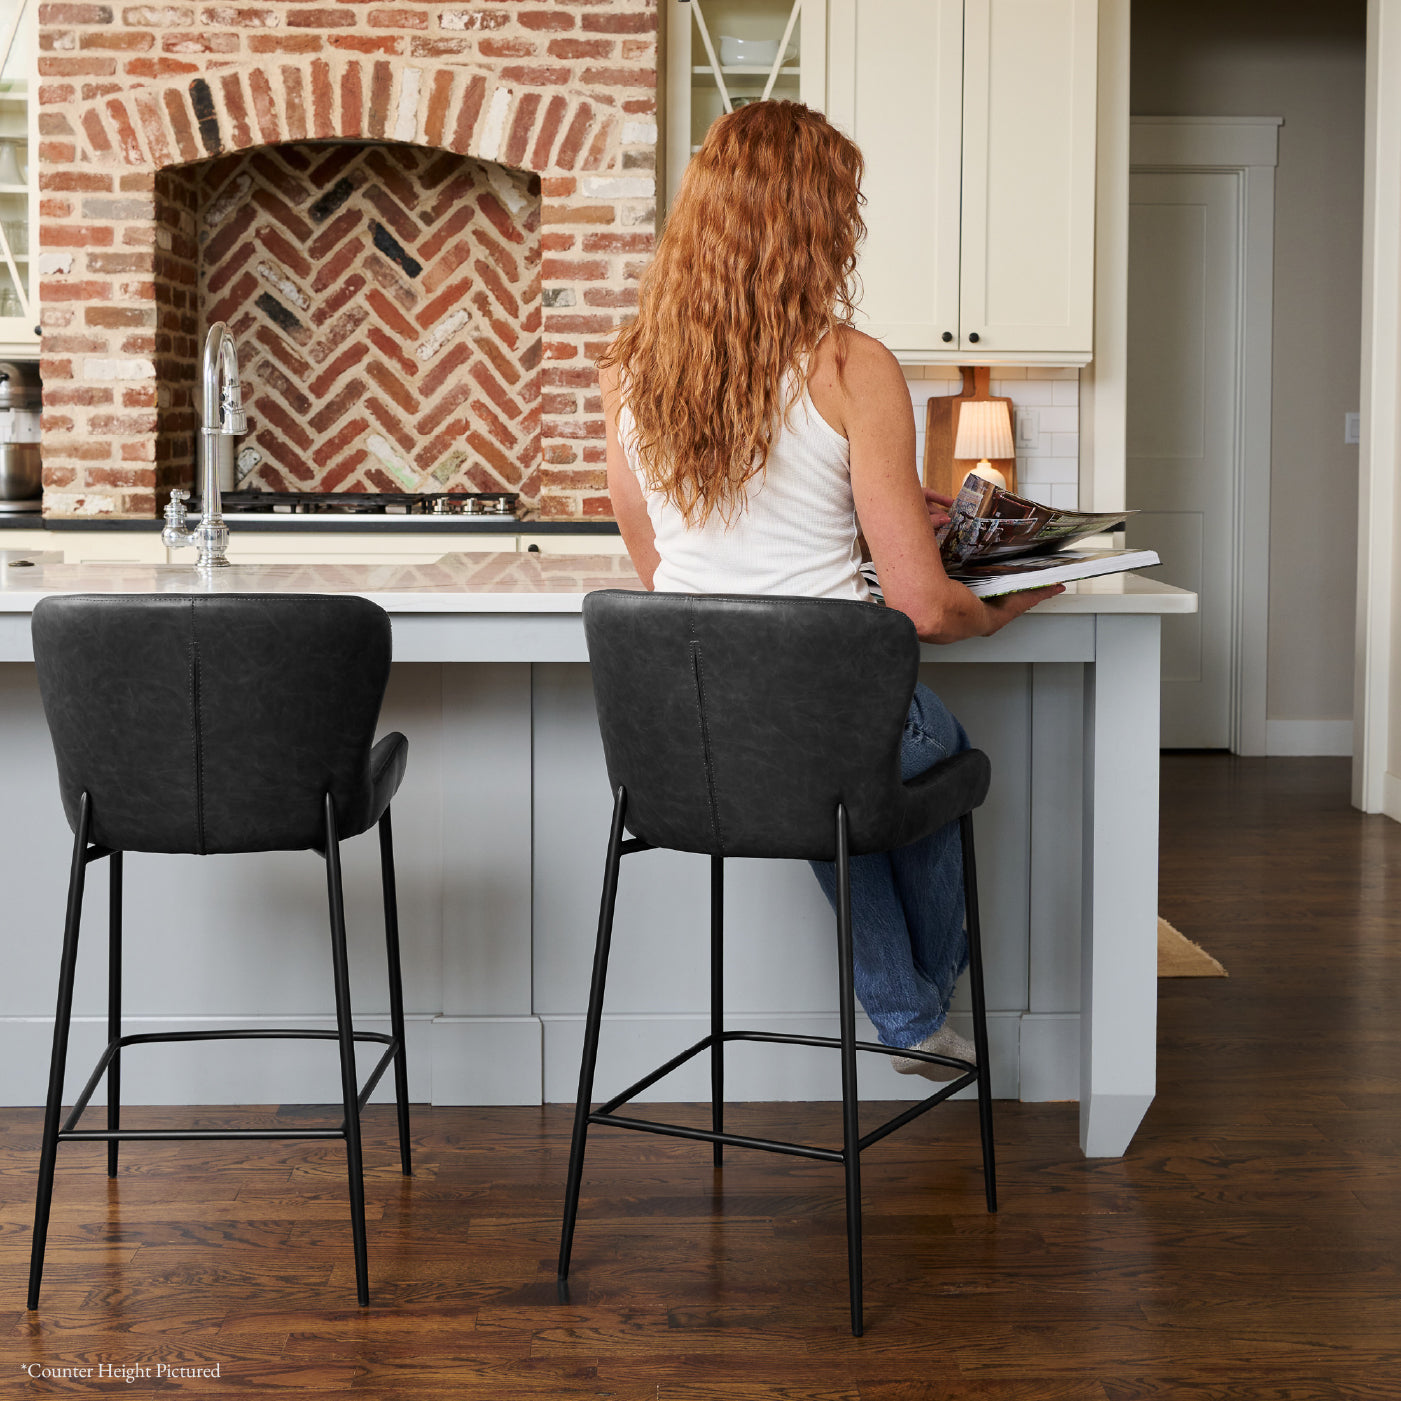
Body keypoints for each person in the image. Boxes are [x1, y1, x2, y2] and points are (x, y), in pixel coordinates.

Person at [599, 101, 1061, 1079]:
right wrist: (1008, 601)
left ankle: (912, 1018)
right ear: (814, 224)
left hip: (691, 740)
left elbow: (656, 560)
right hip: (823, 728)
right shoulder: (851, 365)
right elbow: (924, 610)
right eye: (843, 207)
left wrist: (867, 510)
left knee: (826, 771)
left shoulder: (631, 368)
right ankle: (918, 1008)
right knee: (914, 747)